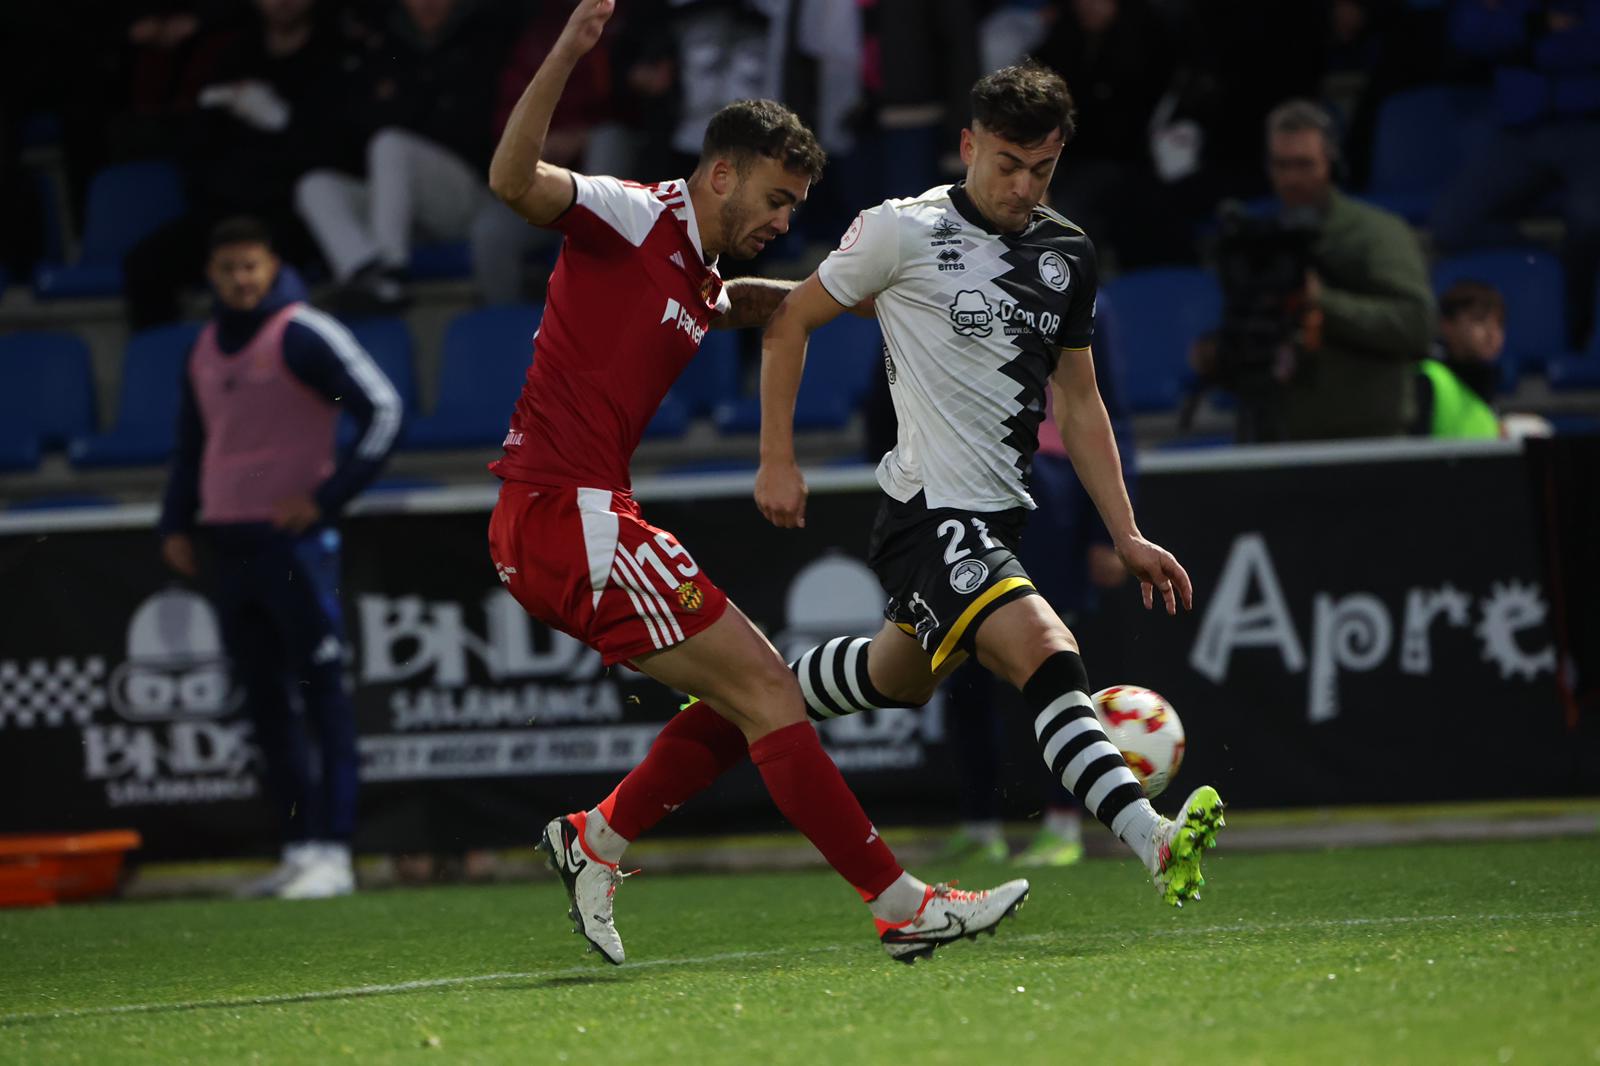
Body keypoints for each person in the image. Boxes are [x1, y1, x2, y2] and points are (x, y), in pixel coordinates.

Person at [486, 0, 1028, 967]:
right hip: (569, 517)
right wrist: (569, 49)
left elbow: (723, 301)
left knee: (746, 701)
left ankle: (595, 839)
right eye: (776, 201)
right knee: (774, 694)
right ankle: (902, 906)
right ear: (722, 173)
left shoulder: (695, 263)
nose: (783, 220)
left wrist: (829, 299)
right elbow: (511, 180)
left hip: (572, 517)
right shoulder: (629, 212)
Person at [754, 61, 1225, 908]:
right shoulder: (901, 230)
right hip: (926, 512)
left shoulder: (1066, 254)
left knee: (895, 677)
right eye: (1005, 162)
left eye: (1040, 168)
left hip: (1000, 519)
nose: (1020, 184)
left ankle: (736, 695)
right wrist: (776, 458)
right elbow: (792, 317)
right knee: (1047, 652)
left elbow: (1080, 405)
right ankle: (1149, 835)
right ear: (968, 145)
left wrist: (1126, 531)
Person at [157, 216, 403, 899]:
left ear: (272, 269)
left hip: (292, 545)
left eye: (251, 267)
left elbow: (384, 410)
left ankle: (335, 850)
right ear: (211, 275)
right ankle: (298, 847)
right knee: (265, 701)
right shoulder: (204, 346)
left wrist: (325, 500)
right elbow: (192, 443)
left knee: (322, 694)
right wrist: (175, 521)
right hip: (227, 546)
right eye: (228, 268)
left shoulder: (303, 332)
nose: (240, 280)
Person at [939, 332, 1137, 868]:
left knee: (1050, 663)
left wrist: (1111, 532)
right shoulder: (941, 267)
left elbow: (1105, 409)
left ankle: (1063, 820)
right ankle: (981, 824)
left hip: (1048, 492)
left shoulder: (1071, 279)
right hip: (959, 483)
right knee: (960, 660)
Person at [1204, 98, 1434, 442]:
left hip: (1371, 440)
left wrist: (1321, 301)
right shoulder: (1261, 242)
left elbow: (1416, 325)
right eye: (1281, 165)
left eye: (1304, 165)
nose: (1291, 179)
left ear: (1331, 163)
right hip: (1281, 440)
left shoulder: (1375, 234)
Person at [122, 0, 332, 329]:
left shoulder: (333, 53)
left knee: (260, 267)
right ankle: (163, 365)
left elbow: (334, 148)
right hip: (223, 209)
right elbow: (197, 142)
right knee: (145, 264)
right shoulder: (233, 54)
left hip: (292, 212)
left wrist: (283, 121)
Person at [293, 0, 511, 313]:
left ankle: (392, 268)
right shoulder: (387, 45)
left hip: (465, 197)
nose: (427, 4)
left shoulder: (483, 36)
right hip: (398, 207)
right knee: (314, 185)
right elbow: (356, 124)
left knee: (391, 144)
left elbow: (468, 126)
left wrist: (405, 105)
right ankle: (368, 275)